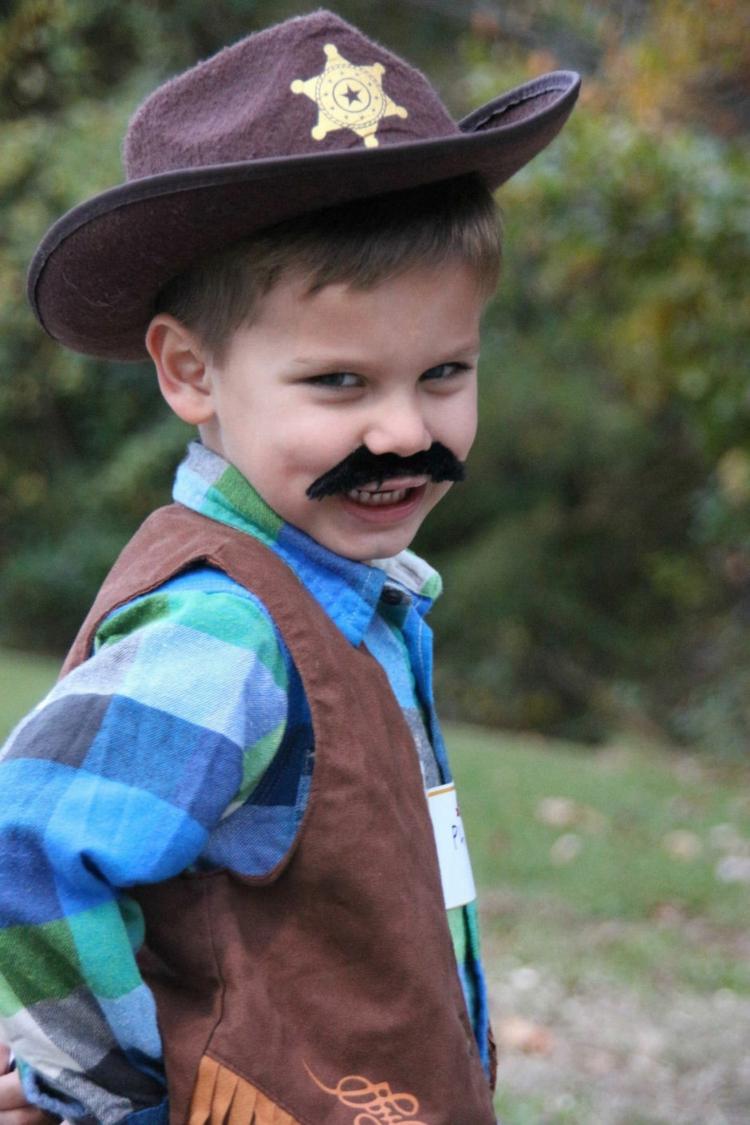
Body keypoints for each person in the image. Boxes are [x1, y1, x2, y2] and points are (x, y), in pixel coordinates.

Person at [0, 11, 579, 1124]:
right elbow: (28, 848)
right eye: (341, 385)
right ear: (190, 372)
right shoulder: (226, 635)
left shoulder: (357, 594)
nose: (408, 431)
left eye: (445, 371)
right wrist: (97, 1094)